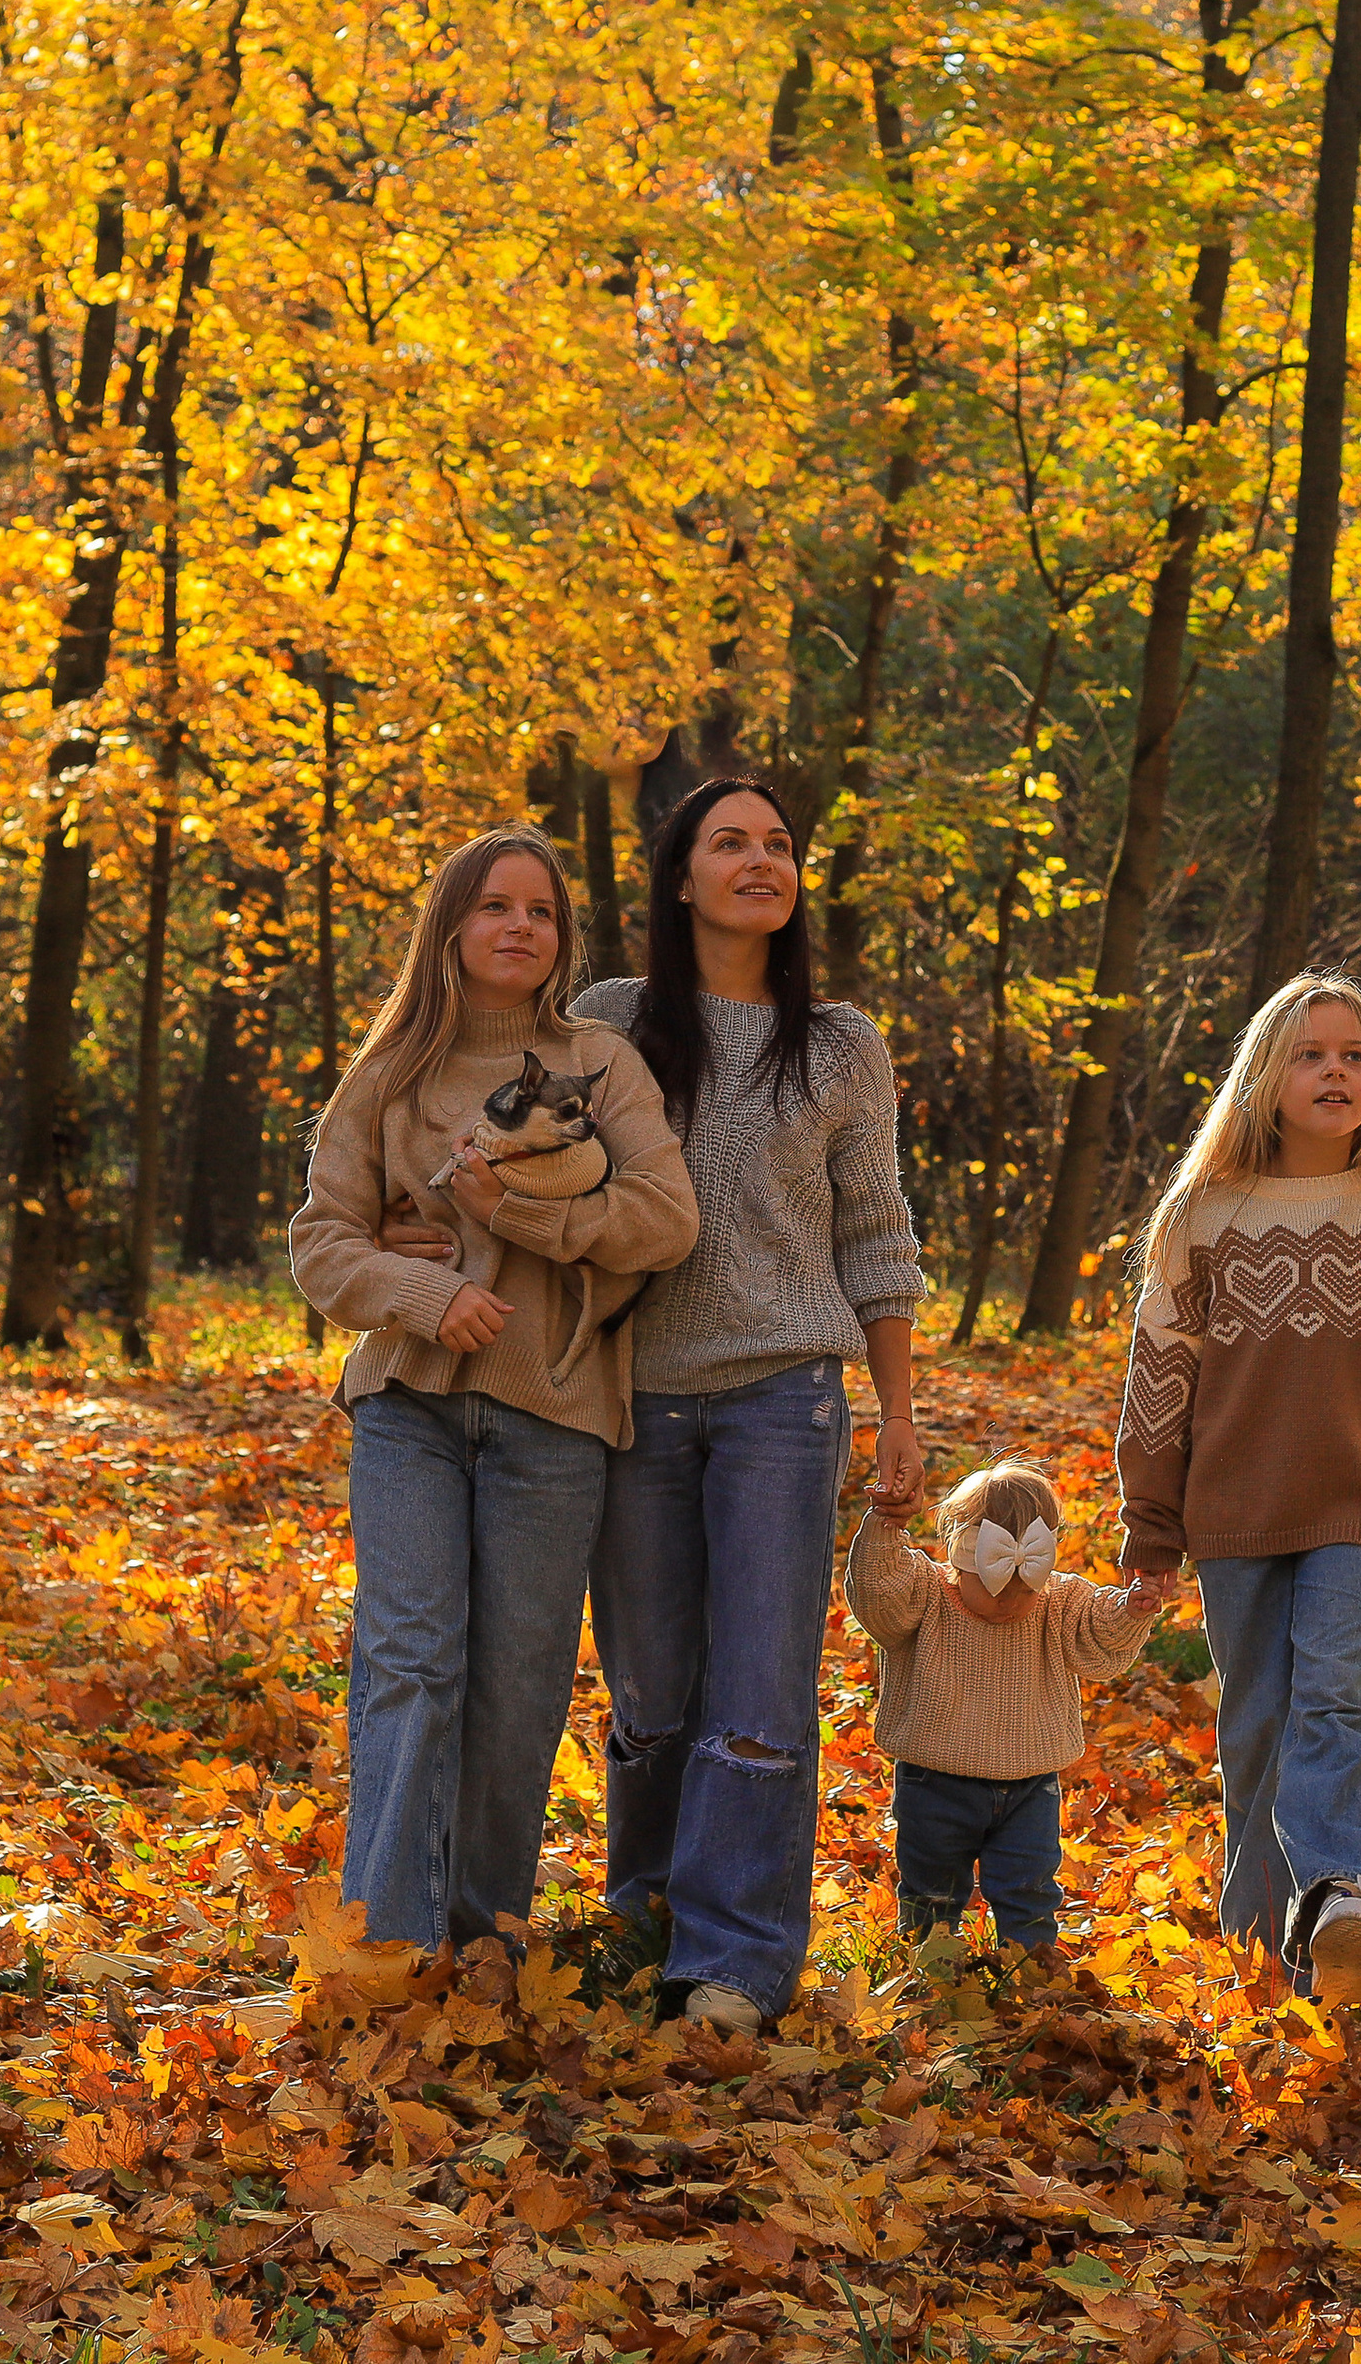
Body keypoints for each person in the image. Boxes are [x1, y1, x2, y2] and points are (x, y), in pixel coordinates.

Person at [290, 825, 698, 1950]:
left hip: (555, 1415)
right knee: (411, 1664)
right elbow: (321, 1246)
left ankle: (480, 1941)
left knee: (518, 1688)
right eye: (495, 907)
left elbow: (667, 1220)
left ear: (561, 937)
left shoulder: (600, 1065)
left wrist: (511, 1217)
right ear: (452, 927)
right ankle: (391, 1944)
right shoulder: (390, 1073)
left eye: (542, 911)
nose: (520, 927)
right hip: (409, 1408)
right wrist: (421, 1297)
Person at [572, 775, 926, 2035]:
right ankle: (648, 1915)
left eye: (779, 842)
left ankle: (734, 1963)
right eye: (731, 842)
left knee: (763, 1687)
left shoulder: (837, 1044)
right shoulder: (609, 1021)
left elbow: (876, 1233)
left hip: (785, 1398)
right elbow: (534, 1162)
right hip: (635, 1399)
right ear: (681, 878)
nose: (761, 860)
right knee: (655, 1686)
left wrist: (896, 1409)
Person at [1115, 972, 1361, 2006]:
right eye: (1309, 1053)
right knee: (1256, 1721)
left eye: (1354, 1056)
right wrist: (1150, 1519)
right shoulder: (1201, 1217)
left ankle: (1340, 1890)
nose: (1335, 1070)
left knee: (1332, 1688)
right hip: (1234, 1510)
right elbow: (1159, 1376)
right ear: (1263, 1078)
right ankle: (1270, 1957)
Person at [846, 1459, 1163, 1961]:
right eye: (995, 1585)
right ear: (961, 1556)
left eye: (1024, 1587)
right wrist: (886, 1528)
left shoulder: (1058, 1601)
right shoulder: (926, 1594)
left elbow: (1098, 1639)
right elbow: (879, 1596)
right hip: (934, 1783)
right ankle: (931, 1977)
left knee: (1030, 1891)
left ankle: (1033, 1973)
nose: (1009, 1602)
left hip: (1030, 1787)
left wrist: (1131, 1609)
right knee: (931, 1892)